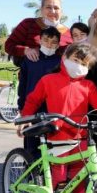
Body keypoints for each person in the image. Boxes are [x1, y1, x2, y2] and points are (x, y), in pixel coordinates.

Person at [17, 43, 97, 193]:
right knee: (59, 180)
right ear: (64, 58)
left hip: (81, 139)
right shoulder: (48, 80)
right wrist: (25, 118)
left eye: (84, 64)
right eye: (76, 60)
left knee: (79, 181)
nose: (79, 66)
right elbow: (33, 100)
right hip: (57, 139)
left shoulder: (88, 86)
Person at [18, 26, 62, 159]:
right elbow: (23, 86)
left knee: (51, 148)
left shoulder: (61, 62)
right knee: (31, 149)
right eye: (46, 40)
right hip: (32, 110)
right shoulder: (30, 60)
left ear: (58, 44)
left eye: (54, 42)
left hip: (52, 111)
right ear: (40, 41)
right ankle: (30, 176)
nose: (49, 44)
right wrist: (21, 109)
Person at [5, 0, 72, 65]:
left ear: (61, 11)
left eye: (56, 8)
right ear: (41, 9)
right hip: (31, 74)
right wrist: (26, 50)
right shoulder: (28, 24)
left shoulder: (69, 34)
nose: (52, 11)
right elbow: (9, 45)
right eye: (48, 7)